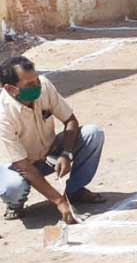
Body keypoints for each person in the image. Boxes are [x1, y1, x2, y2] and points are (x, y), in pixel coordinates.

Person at [0, 57, 106, 222]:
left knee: (93, 133)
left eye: (36, 80)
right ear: (10, 89)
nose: (36, 86)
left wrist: (66, 153)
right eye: (29, 85)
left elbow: (70, 120)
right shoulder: (3, 115)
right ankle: (14, 204)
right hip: (17, 166)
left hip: (49, 153)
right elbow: (25, 167)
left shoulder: (44, 85)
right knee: (13, 187)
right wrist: (59, 202)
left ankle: (75, 191)